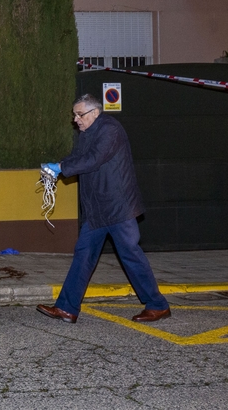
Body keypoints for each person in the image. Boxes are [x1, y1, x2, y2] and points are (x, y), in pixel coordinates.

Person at [37, 94, 171, 324]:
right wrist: (58, 167)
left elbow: (94, 159)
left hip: (118, 207)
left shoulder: (110, 129)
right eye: (74, 115)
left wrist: (60, 167)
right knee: (84, 255)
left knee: (130, 254)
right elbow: (78, 158)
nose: (76, 119)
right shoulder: (87, 134)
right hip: (98, 209)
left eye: (80, 114)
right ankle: (67, 308)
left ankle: (157, 305)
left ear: (95, 113)